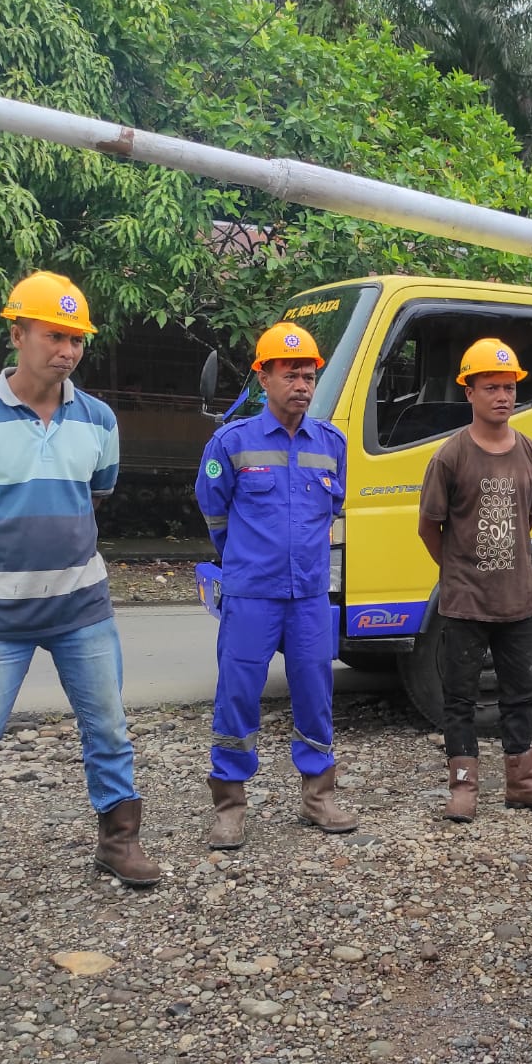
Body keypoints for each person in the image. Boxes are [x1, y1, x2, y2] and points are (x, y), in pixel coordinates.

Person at [0, 271, 161, 925]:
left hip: (81, 606)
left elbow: (95, 494)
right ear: (17, 333)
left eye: (77, 339)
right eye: (55, 336)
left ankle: (119, 839)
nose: (68, 350)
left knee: (108, 726)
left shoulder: (98, 420)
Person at [194, 323, 357, 847]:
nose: (303, 385)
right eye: (290, 375)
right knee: (237, 696)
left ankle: (319, 795)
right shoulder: (232, 442)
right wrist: (243, 561)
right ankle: (230, 805)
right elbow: (213, 510)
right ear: (263, 377)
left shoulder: (331, 443)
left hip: (309, 597)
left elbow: (332, 508)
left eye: (309, 375)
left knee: (315, 693)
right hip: (251, 596)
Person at [417, 338, 532, 821]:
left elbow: (525, 523)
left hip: (520, 600)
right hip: (465, 601)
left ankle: (524, 782)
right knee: (460, 695)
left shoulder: (530, 452)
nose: (502, 396)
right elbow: (429, 527)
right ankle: (463, 788)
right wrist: (460, 572)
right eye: (491, 387)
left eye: (508, 387)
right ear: (469, 391)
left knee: (520, 693)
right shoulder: (450, 456)